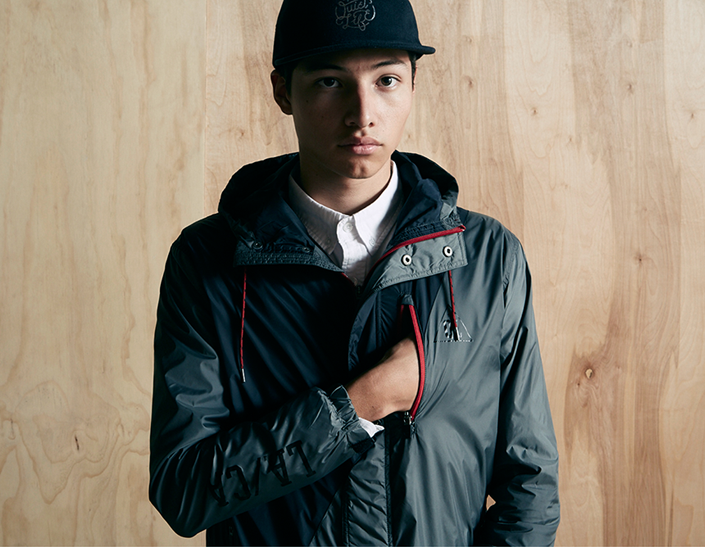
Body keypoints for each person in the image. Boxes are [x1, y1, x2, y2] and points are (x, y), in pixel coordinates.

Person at [149, 0, 560, 544]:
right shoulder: (207, 261)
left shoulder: (486, 257)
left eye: (386, 80)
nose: (362, 113)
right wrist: (359, 405)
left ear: (413, 85)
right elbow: (183, 490)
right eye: (329, 82)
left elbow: (530, 485)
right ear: (282, 91)